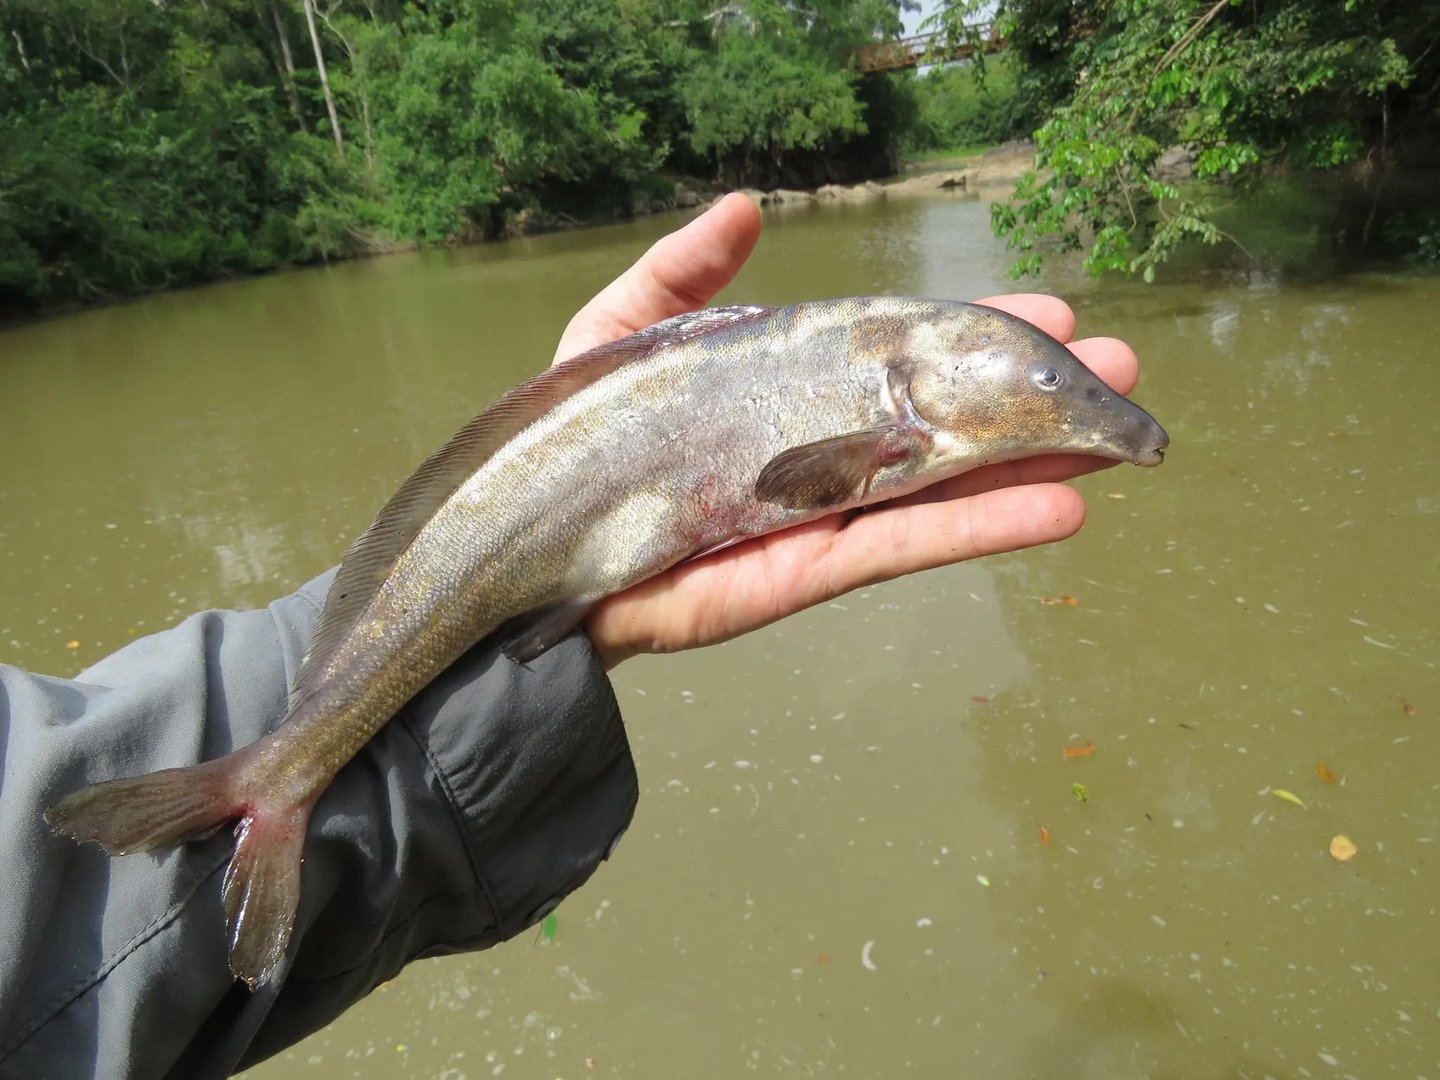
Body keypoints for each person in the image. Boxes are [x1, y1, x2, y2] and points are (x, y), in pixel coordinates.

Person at [0, 195, 1141, 1078]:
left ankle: (272, 776)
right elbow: (800, 478)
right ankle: (270, 788)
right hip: (518, 549)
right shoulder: (883, 408)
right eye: (1046, 380)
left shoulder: (908, 388)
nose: (1065, 392)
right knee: (355, 688)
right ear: (915, 381)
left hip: (535, 573)